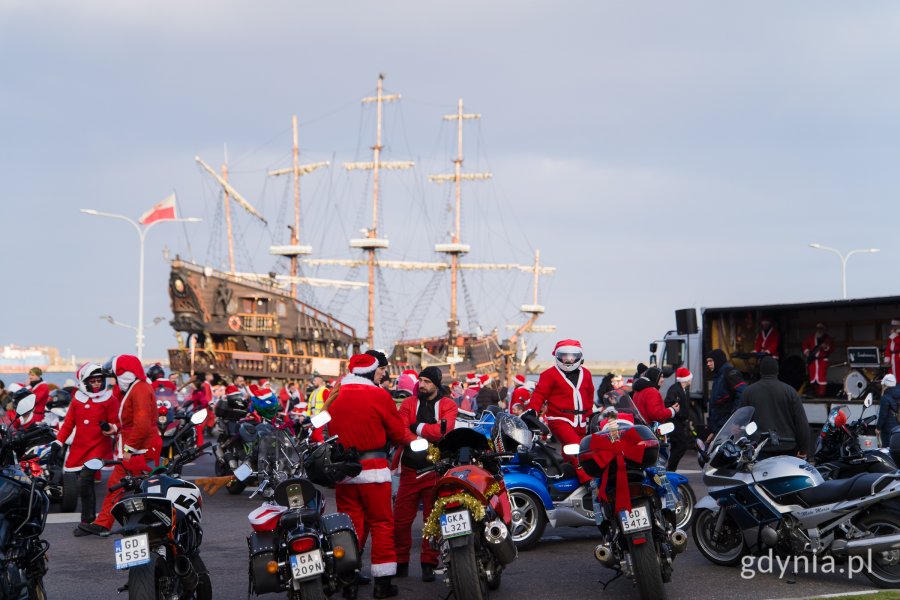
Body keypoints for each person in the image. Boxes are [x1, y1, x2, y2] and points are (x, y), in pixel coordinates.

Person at [328, 354, 419, 599]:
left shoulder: (334, 394)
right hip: (374, 471)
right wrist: (417, 441)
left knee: (349, 526)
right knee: (381, 524)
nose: (383, 375)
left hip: (345, 473)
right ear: (369, 372)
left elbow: (321, 427)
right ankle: (382, 584)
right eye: (379, 371)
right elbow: (398, 432)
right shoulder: (379, 396)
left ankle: (349, 581)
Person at [78, 355, 161, 537]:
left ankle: (105, 524)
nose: (115, 381)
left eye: (116, 376)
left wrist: (129, 450)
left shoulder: (139, 389)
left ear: (125, 374)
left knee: (118, 486)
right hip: (139, 447)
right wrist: (114, 428)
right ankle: (112, 523)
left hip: (138, 449)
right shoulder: (138, 387)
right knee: (135, 488)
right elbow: (132, 423)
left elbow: (142, 424)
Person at [393, 366, 458, 583]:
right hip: (410, 471)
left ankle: (428, 563)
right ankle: (400, 562)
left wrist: (417, 426)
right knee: (401, 522)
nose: (421, 385)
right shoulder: (410, 403)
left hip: (435, 471)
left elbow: (444, 432)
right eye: (420, 380)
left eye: (427, 381)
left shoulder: (448, 404)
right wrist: (418, 440)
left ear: (436, 384)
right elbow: (400, 429)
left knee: (432, 521)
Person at [53, 363, 118, 534]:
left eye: (99, 381)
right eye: (93, 381)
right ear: (85, 382)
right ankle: (87, 520)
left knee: (85, 481)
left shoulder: (110, 399)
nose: (97, 384)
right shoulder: (77, 400)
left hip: (98, 447)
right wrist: (58, 443)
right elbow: (68, 425)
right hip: (79, 448)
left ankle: (87, 521)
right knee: (84, 485)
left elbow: (117, 424)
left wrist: (109, 427)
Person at [526, 339, 595, 483]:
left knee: (573, 449)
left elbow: (589, 394)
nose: (569, 360)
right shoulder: (549, 375)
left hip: (581, 421)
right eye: (564, 356)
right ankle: (588, 481)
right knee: (576, 447)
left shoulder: (586, 374)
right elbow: (539, 394)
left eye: (572, 356)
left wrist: (589, 413)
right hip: (559, 419)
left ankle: (565, 479)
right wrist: (532, 410)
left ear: (579, 357)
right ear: (557, 356)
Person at [741, 356, 810, 458]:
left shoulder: (748, 392)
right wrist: (804, 448)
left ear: (760, 371)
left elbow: (741, 420)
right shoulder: (790, 391)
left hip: (759, 449)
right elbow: (801, 423)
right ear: (777, 371)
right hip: (787, 447)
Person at [706, 349, 747, 441]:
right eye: (707, 361)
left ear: (718, 360)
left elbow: (742, 394)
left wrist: (735, 422)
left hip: (729, 428)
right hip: (720, 428)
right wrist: (713, 430)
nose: (708, 364)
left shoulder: (730, 373)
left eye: (710, 361)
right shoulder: (718, 376)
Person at [664, 368, 693, 471]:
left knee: (678, 446)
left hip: (680, 422)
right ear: (686, 379)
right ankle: (671, 469)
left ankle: (671, 469)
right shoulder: (674, 389)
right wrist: (677, 412)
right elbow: (668, 404)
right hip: (674, 423)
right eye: (690, 377)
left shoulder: (683, 389)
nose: (691, 379)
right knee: (681, 445)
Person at [802, 323, 834, 397]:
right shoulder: (811, 337)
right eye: (818, 328)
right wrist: (807, 352)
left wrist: (825, 346)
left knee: (821, 378)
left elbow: (831, 348)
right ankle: (814, 394)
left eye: (821, 329)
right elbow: (804, 345)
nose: (820, 330)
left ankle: (821, 395)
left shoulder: (827, 339)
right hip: (813, 361)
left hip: (822, 361)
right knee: (812, 378)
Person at [877, 374, 900, 447]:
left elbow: (882, 415)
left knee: (887, 450)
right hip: (898, 428)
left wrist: (878, 428)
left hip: (888, 430)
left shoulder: (885, 398)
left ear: (885, 385)